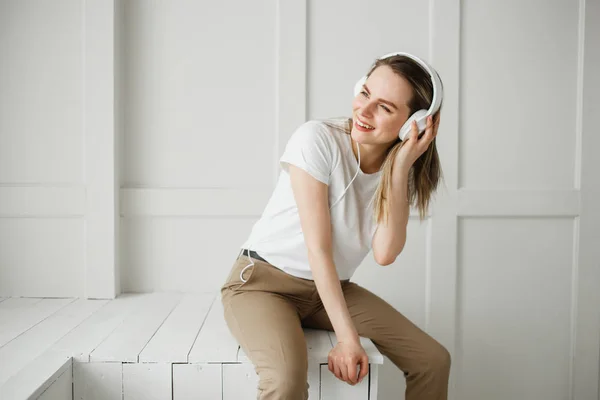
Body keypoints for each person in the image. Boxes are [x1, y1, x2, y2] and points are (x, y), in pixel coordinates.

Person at [220, 52, 449, 400]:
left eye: (385, 108)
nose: (365, 110)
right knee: (285, 381)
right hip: (263, 285)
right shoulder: (316, 139)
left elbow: (385, 253)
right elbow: (318, 249)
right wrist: (347, 339)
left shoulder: (397, 168)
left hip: (328, 291)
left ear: (412, 123)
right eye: (365, 93)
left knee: (432, 360)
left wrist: (401, 167)